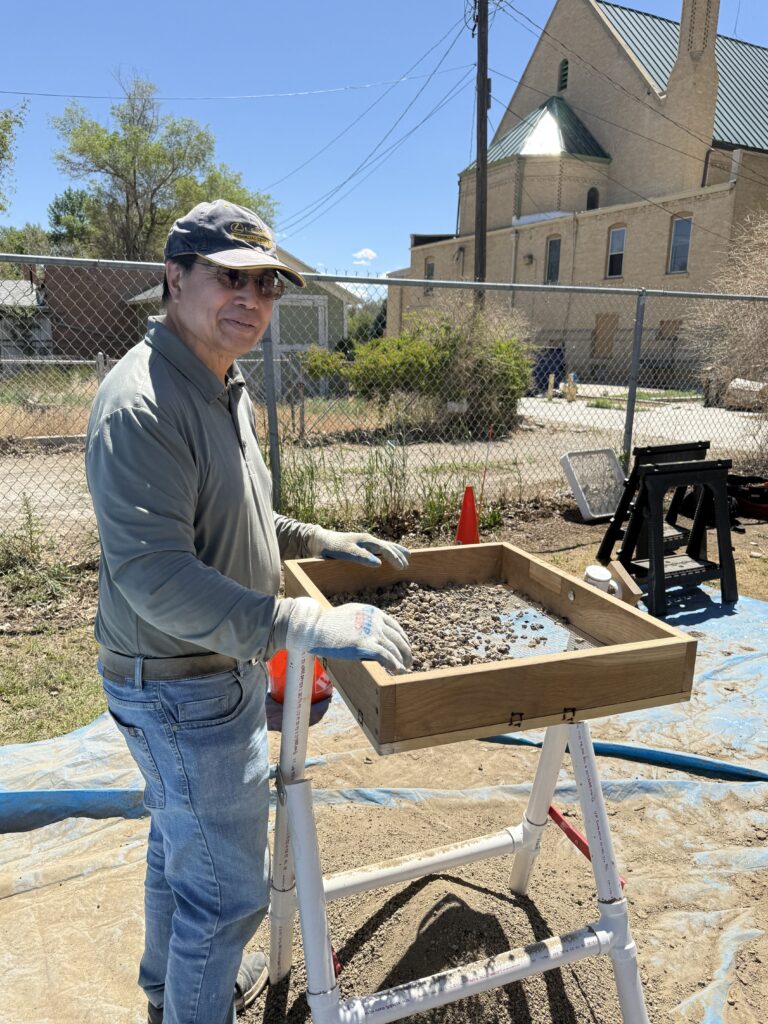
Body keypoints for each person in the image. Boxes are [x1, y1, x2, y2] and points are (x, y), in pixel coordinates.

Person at [85, 199, 412, 1024]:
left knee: (179, 852)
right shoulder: (143, 404)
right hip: (179, 686)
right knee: (228, 896)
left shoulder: (221, 384)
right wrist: (297, 623)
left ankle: (171, 995)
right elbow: (156, 577)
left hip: (206, 672)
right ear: (175, 277)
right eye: (231, 277)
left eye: (266, 284)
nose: (253, 298)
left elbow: (241, 514)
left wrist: (317, 538)